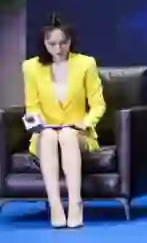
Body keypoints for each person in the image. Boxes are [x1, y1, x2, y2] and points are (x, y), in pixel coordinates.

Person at [22, 15, 107, 229]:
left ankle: (75, 203)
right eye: (52, 44)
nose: (58, 49)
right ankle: (56, 206)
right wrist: (38, 126)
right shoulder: (30, 67)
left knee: (67, 135)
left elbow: (98, 104)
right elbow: (31, 107)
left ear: (70, 41)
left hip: (77, 132)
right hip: (46, 133)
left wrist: (86, 122)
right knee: (49, 135)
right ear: (44, 43)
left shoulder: (86, 64)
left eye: (63, 43)